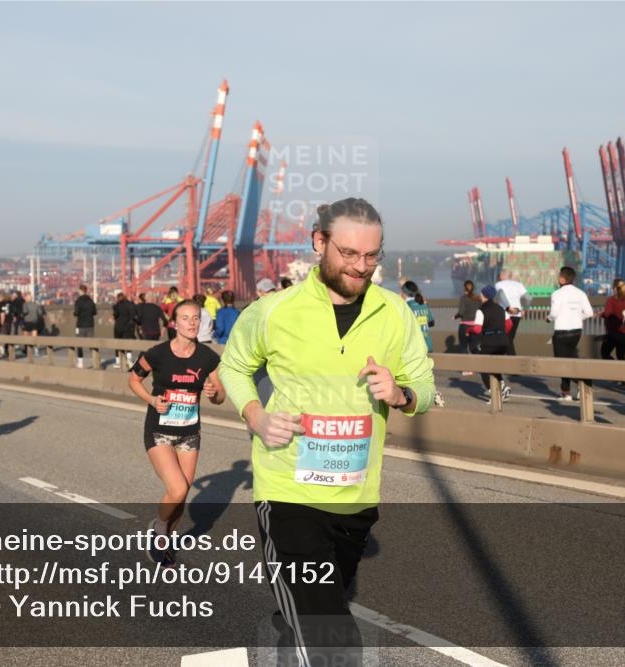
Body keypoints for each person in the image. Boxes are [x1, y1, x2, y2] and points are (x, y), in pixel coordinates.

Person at [218, 197, 435, 665]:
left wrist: (400, 394)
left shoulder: (395, 313)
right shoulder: (274, 311)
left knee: (310, 611)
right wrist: (255, 416)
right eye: (349, 253)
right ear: (319, 242)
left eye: (372, 256)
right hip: (288, 492)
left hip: (355, 497)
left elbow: (424, 382)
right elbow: (233, 368)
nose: (361, 267)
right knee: (333, 637)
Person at [128, 299, 225, 567]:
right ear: (174, 323)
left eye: (196, 318)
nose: (192, 323)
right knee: (178, 487)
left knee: (181, 495)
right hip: (159, 430)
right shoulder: (158, 353)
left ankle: (167, 542)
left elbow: (220, 396)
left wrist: (214, 393)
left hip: (189, 433)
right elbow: (133, 379)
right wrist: (151, 400)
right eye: (186, 318)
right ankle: (159, 530)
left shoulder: (208, 357)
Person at [548, 266, 593, 401]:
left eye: (558, 277)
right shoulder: (581, 293)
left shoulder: (556, 294)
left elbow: (554, 313)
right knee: (571, 358)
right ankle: (577, 386)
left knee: (562, 363)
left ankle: (570, 389)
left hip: (561, 332)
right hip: (576, 332)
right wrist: (578, 318)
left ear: (562, 279)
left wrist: (548, 318)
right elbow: (589, 313)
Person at [471, 285, 512, 403]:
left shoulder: (481, 310)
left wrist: (469, 330)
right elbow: (509, 325)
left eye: (481, 293)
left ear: (483, 295)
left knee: (483, 368)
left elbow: (477, 329)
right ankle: (503, 388)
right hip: (503, 341)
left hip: (489, 342)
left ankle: (495, 394)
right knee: (495, 366)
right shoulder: (501, 308)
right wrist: (501, 333)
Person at [494, 269, 531, 354]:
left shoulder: (499, 284)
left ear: (502, 276)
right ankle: (509, 362)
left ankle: (510, 362)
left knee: (505, 339)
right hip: (516, 315)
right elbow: (529, 298)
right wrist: (524, 310)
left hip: (504, 315)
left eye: (500, 275)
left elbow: (500, 294)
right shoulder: (518, 285)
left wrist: (508, 307)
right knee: (509, 339)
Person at [600, 279, 625, 362]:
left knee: (605, 353)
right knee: (621, 356)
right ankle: (624, 374)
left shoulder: (611, 300)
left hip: (613, 333)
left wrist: (602, 314)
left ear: (615, 288)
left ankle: (612, 369)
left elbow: (608, 314)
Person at [402, 280, 435, 353]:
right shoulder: (423, 305)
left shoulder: (406, 307)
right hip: (427, 345)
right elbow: (431, 322)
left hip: (414, 348)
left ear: (404, 293)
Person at [456, 280, 481, 372]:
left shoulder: (463, 298)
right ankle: (482, 366)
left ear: (464, 288)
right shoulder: (478, 298)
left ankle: (467, 370)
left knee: (463, 347)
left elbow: (461, 312)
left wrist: (455, 316)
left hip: (465, 325)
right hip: (475, 326)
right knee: (474, 347)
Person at [112, 291, 138, 367]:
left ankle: (118, 361)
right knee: (127, 343)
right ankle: (129, 360)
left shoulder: (117, 306)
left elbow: (115, 315)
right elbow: (133, 315)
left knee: (118, 344)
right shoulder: (130, 305)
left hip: (118, 327)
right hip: (128, 327)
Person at [73, 284, 97, 367]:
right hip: (90, 324)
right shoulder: (91, 301)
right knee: (92, 344)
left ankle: (80, 362)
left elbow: (76, 313)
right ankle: (95, 361)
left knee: (79, 344)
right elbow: (95, 312)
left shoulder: (78, 301)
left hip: (81, 325)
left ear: (80, 291)